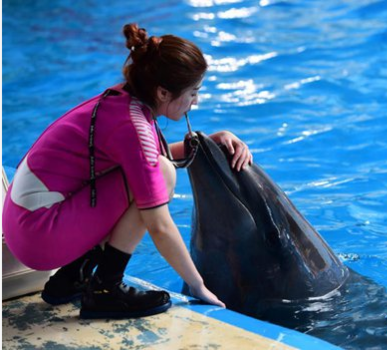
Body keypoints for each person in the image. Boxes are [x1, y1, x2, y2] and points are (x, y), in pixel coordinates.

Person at [2, 23, 253, 319]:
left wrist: (208, 144)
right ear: (162, 92)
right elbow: (159, 224)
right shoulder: (133, 126)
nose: (196, 101)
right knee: (163, 175)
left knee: (155, 172)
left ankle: (72, 276)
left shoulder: (122, 101)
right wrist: (199, 285)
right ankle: (106, 289)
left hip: (24, 225)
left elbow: (141, 160)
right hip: (40, 237)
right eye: (193, 92)